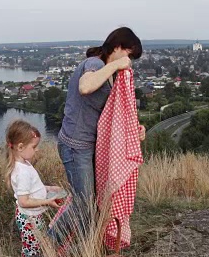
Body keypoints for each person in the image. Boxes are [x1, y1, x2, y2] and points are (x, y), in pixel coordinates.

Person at [49, 27, 145, 243]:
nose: (129, 61)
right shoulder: (95, 63)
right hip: (76, 145)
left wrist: (134, 130)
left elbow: (110, 115)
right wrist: (116, 64)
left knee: (89, 203)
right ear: (118, 47)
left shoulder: (110, 73)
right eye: (128, 54)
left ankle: (82, 251)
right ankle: (46, 248)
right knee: (83, 205)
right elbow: (86, 87)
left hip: (90, 146)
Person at [5, 119, 61, 257]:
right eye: (34, 146)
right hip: (29, 218)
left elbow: (33, 187)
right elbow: (24, 201)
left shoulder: (25, 163)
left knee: (36, 244)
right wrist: (47, 202)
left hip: (33, 216)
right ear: (21, 146)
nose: (36, 150)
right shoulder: (22, 171)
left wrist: (48, 188)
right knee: (32, 249)